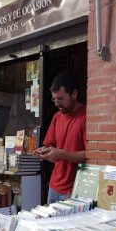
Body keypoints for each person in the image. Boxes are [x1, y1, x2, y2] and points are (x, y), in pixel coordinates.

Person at [34, 73, 86, 204]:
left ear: (74, 94)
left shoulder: (85, 117)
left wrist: (61, 153)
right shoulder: (57, 117)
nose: (57, 103)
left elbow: (92, 155)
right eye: (54, 99)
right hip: (54, 187)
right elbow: (50, 146)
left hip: (75, 190)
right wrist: (43, 152)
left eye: (61, 99)